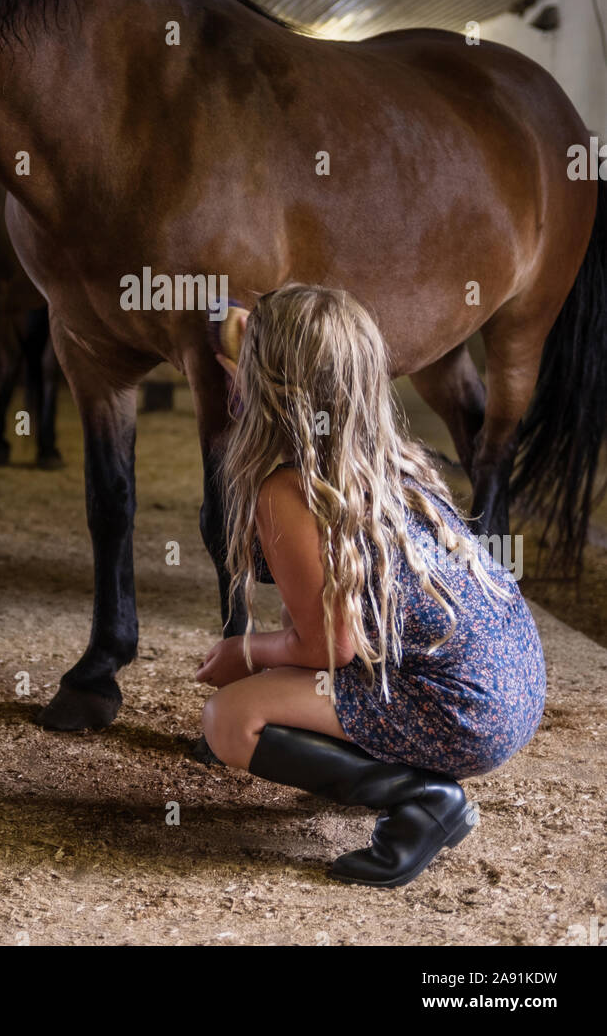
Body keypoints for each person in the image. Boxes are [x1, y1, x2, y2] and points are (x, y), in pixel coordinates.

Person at [197, 283, 546, 887]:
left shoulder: (285, 489)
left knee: (230, 720)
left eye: (247, 356)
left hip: (463, 708)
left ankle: (424, 801)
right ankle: (378, 769)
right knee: (283, 672)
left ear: (271, 383)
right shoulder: (386, 455)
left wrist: (245, 653)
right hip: (514, 682)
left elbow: (331, 645)